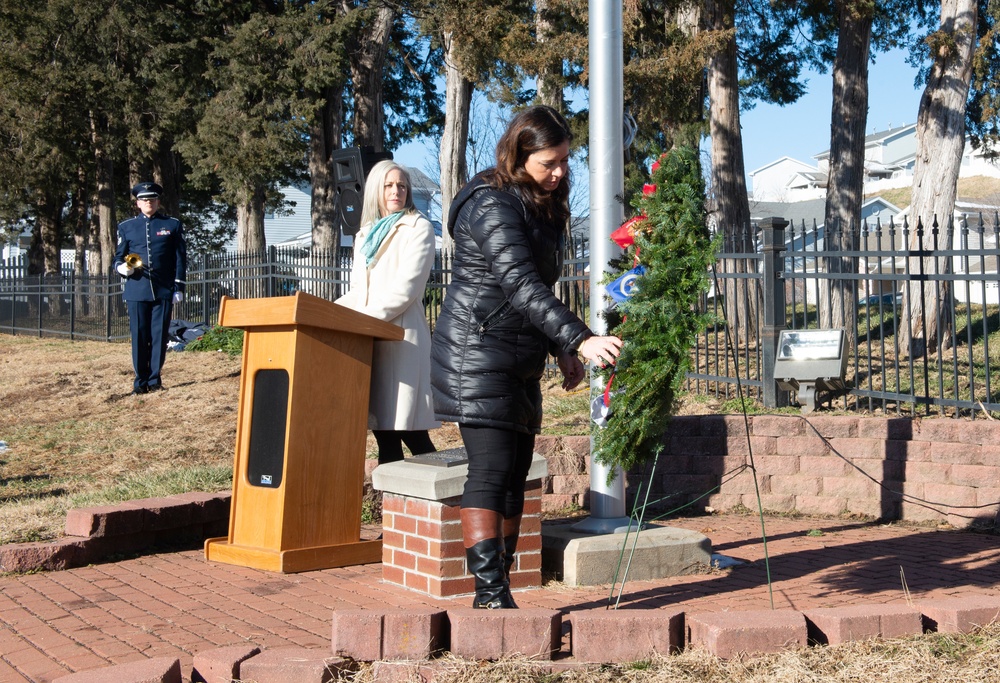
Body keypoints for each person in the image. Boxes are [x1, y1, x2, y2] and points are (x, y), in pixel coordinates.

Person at [431, 105, 623, 609]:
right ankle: (489, 595)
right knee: (491, 472)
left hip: (517, 357)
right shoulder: (492, 205)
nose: (559, 173)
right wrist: (580, 338)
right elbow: (520, 284)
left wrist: (561, 348)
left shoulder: (539, 204)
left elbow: (542, 288)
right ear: (519, 156)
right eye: (548, 163)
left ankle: (504, 587)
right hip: (476, 354)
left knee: (516, 476)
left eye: (564, 161)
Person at [336, 160, 439, 464]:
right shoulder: (365, 234)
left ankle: (446, 502)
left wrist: (360, 321)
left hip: (400, 340)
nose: (396, 191)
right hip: (369, 344)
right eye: (389, 185)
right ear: (375, 191)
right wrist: (328, 313)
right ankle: (395, 509)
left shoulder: (418, 228)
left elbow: (406, 290)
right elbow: (359, 291)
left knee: (412, 432)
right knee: (385, 436)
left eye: (402, 186)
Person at [113, 181, 187, 395]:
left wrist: (179, 287)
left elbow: (180, 258)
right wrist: (122, 268)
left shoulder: (172, 225)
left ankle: (154, 379)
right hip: (137, 289)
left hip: (163, 289)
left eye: (153, 200)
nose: (149, 203)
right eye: (145, 200)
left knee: (159, 336)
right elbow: (118, 257)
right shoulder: (126, 227)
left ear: (158, 202)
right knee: (139, 336)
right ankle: (140, 381)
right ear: (138, 203)